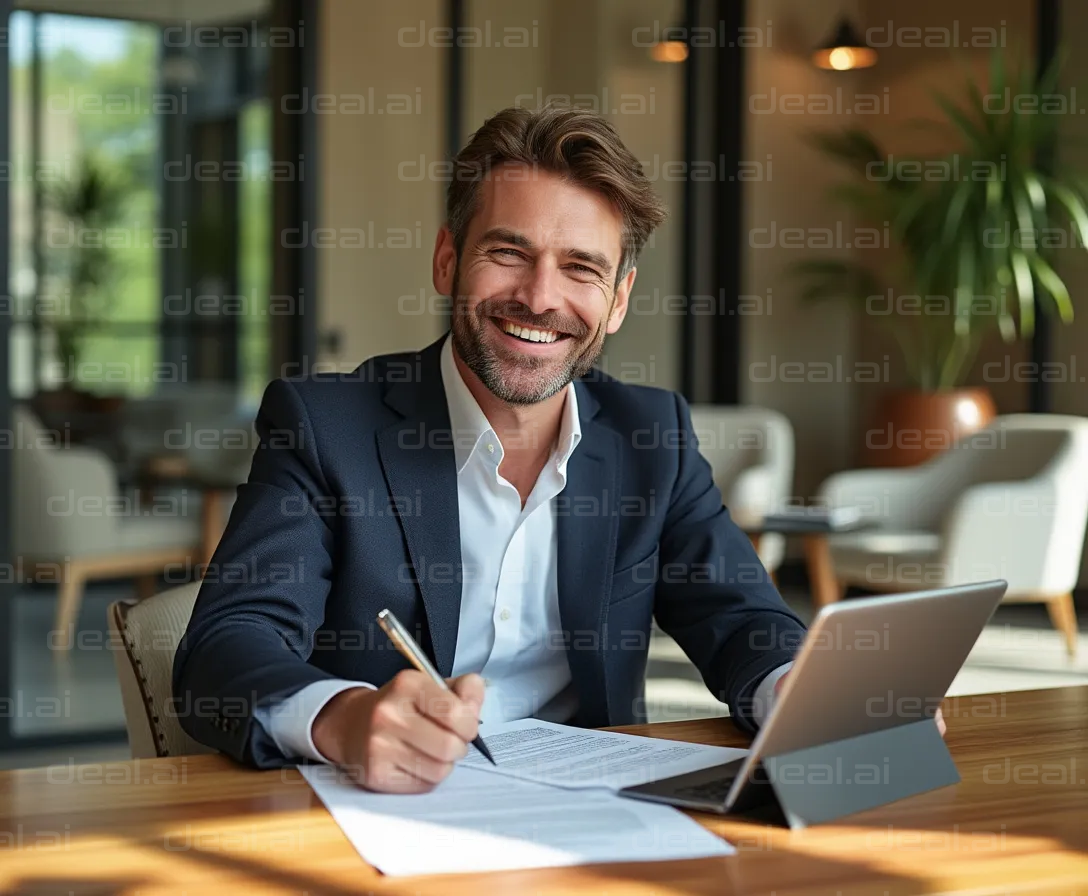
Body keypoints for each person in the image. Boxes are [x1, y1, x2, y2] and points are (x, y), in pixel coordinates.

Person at [173, 105, 806, 793]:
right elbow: (226, 646)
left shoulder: (652, 435)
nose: (539, 297)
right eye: (508, 253)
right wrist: (344, 718)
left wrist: (798, 690)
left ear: (619, 299)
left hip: (597, 821)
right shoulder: (325, 426)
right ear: (448, 260)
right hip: (382, 815)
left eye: (580, 269)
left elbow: (741, 617)